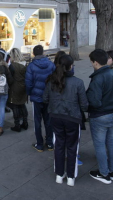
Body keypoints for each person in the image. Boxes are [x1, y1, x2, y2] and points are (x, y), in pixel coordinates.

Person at [43, 55, 88, 187]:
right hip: (72, 118)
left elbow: (45, 98)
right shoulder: (78, 82)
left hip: (56, 117)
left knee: (59, 145)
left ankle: (59, 174)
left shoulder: (51, 81)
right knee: (72, 147)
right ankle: (70, 177)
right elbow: (84, 105)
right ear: (70, 66)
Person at [86, 49, 113, 184]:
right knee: (111, 143)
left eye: (92, 62)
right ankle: (112, 171)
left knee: (100, 145)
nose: (92, 64)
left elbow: (94, 101)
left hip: (100, 116)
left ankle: (104, 174)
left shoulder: (97, 78)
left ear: (96, 62)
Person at [26, 45, 55, 152]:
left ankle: (39, 144)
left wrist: (30, 94)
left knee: (37, 122)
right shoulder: (51, 64)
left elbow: (28, 83)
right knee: (48, 120)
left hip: (37, 98)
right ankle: (50, 143)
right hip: (48, 97)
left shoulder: (31, 66)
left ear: (33, 53)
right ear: (43, 52)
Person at [7, 48, 28, 132]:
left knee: (15, 105)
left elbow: (10, 77)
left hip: (14, 87)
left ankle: (17, 125)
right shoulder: (25, 64)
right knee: (22, 104)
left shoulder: (12, 65)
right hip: (23, 86)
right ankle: (25, 122)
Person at [0, 40, 11, 114]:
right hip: (6, 73)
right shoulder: (4, 52)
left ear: (0, 45)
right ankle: (5, 106)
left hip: (1, 74)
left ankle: (2, 108)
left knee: (0, 92)